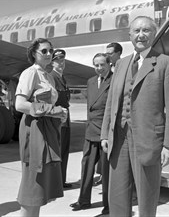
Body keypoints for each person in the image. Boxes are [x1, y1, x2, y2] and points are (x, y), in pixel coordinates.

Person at [101, 16, 169, 217]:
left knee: (147, 196)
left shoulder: (165, 63)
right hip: (118, 138)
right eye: (136, 31)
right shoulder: (120, 64)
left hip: (148, 140)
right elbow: (111, 102)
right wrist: (105, 134)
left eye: (146, 30)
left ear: (154, 34)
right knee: (117, 194)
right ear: (130, 35)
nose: (141, 35)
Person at [15, 38, 67, 217]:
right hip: (34, 130)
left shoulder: (48, 76)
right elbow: (20, 104)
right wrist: (52, 110)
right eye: (43, 51)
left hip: (47, 130)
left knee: (39, 189)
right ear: (34, 54)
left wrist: (60, 114)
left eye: (50, 50)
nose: (48, 54)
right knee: (32, 184)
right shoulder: (30, 73)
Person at [70, 53, 112, 215]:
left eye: (102, 65)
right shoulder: (91, 81)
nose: (99, 68)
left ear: (109, 64)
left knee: (106, 172)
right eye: (96, 65)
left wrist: (107, 134)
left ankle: (108, 205)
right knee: (86, 167)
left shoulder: (114, 80)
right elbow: (89, 108)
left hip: (105, 133)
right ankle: (84, 200)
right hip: (90, 131)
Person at [94, 42, 123, 186]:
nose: (108, 55)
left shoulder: (123, 68)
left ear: (118, 53)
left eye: (110, 53)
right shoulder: (110, 70)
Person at [50, 49, 72, 188]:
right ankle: (56, 182)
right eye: (57, 60)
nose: (61, 63)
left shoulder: (61, 77)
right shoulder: (52, 76)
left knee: (64, 150)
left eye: (62, 60)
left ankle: (61, 180)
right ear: (52, 62)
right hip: (58, 119)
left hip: (65, 118)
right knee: (58, 151)